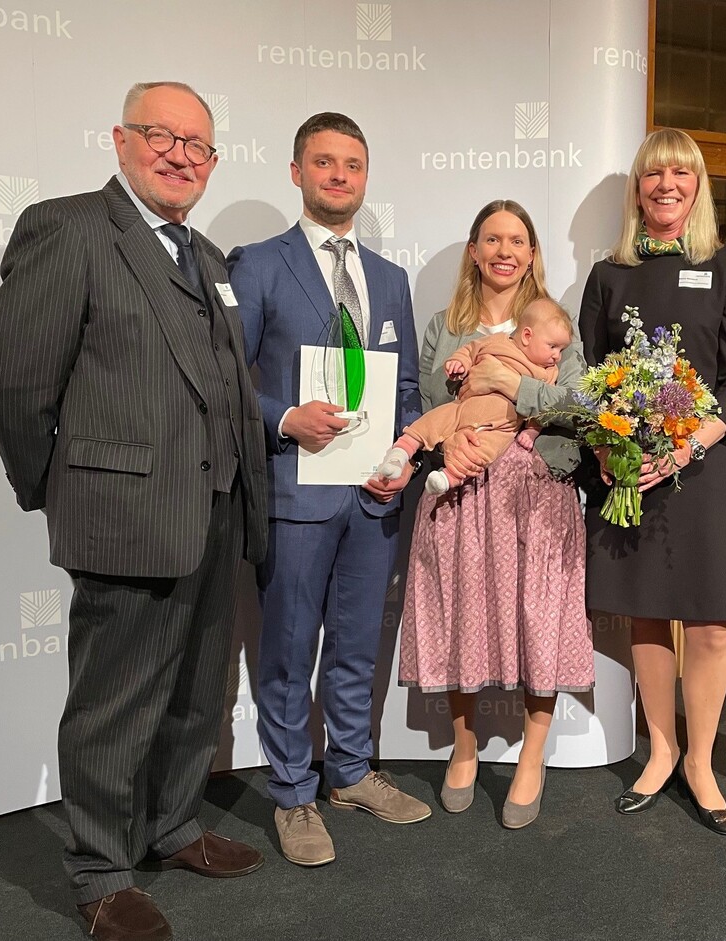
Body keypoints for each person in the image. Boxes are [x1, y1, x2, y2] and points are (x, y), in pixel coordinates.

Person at [0, 82, 269, 941]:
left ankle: (173, 824)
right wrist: (62, 488)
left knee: (194, 693)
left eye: (200, 145)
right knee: (113, 704)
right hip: (125, 516)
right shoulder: (67, 228)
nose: (182, 154)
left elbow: (225, 387)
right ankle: (100, 869)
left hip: (214, 511)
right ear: (119, 138)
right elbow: (17, 387)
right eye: (163, 135)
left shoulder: (208, 258)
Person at [227, 112, 428, 869]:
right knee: (286, 649)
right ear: (296, 172)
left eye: (352, 164)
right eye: (324, 162)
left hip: (373, 497)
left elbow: (405, 385)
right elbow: (224, 380)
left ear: (365, 177)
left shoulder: (390, 278)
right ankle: (292, 791)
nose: (339, 175)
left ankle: (350, 771)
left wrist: (407, 447)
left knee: (356, 647)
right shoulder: (261, 265)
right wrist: (282, 416)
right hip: (295, 494)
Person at [579, 129, 726, 835]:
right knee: (647, 613)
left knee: (709, 623)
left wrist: (688, 447)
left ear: (698, 185)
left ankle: (701, 762)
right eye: (654, 174)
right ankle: (661, 748)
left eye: (681, 173)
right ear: (639, 187)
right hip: (632, 473)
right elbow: (591, 377)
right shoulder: (608, 275)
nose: (666, 185)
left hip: (702, 470)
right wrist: (609, 443)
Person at [399, 199, 594, 830]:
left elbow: (578, 409)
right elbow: (428, 400)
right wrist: (444, 440)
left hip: (539, 491)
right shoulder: (443, 327)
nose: (504, 251)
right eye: (492, 239)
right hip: (462, 494)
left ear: (532, 253)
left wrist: (516, 388)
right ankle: (464, 747)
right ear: (475, 251)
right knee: (464, 615)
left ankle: (532, 758)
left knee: (540, 618)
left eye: (517, 240)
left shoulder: (557, 325)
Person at [378, 297, 572, 495]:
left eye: (561, 350)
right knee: (433, 421)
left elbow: (547, 409)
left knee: (484, 451)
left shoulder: (549, 372)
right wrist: (459, 363)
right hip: (464, 407)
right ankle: (401, 451)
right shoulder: (499, 342)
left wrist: (532, 431)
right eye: (552, 347)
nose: (557, 356)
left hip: (500, 427)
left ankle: (448, 478)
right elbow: (471, 350)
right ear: (527, 336)